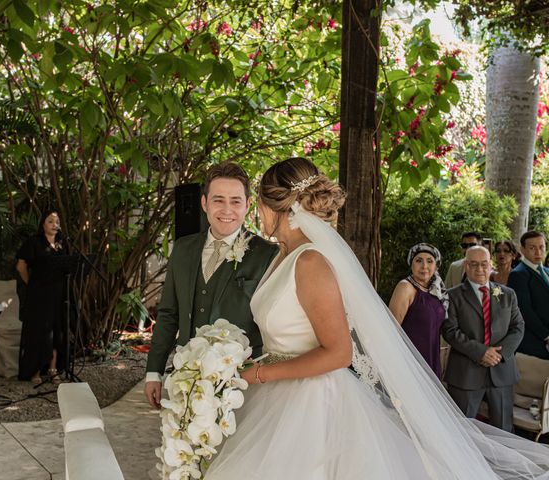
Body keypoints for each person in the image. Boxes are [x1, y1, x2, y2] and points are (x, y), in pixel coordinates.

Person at [204, 157, 549, 479]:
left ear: (272, 206)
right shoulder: (282, 255)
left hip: (311, 404)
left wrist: (260, 374)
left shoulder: (310, 261)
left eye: (258, 205)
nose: (256, 215)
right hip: (277, 395)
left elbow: (339, 352)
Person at [144, 162, 278, 409]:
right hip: (186, 380)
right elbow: (168, 315)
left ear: (248, 206)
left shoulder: (268, 254)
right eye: (218, 200)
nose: (227, 209)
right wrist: (154, 372)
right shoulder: (183, 249)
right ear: (204, 203)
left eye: (236, 201)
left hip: (240, 384)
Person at [441, 246, 524, 432]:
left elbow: (518, 327)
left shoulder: (507, 294)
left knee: (503, 431)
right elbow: (450, 331)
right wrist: (481, 352)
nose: (480, 269)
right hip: (465, 373)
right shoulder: (451, 296)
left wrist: (499, 355)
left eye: (484, 264)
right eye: (474, 264)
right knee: (462, 431)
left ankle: (501, 463)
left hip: (501, 372)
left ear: (491, 265)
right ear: (465, 266)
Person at [16, 210, 68, 385]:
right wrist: (31, 284)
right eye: (50, 221)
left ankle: (53, 370)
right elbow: (21, 266)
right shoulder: (34, 242)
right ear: (43, 224)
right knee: (38, 331)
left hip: (58, 292)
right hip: (38, 293)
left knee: (56, 329)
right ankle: (35, 370)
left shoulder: (62, 243)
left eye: (57, 222)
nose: (55, 225)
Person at [388, 243, 447, 378]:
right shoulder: (406, 288)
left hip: (431, 358)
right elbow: (392, 329)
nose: (424, 266)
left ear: (436, 266)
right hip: (410, 360)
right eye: (419, 260)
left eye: (430, 261)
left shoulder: (437, 292)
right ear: (411, 264)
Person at [508, 231, 549, 360]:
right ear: (522, 250)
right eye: (532, 248)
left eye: (541, 247)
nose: (538, 252)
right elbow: (525, 311)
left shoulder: (547, 271)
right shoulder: (518, 274)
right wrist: (546, 336)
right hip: (535, 343)